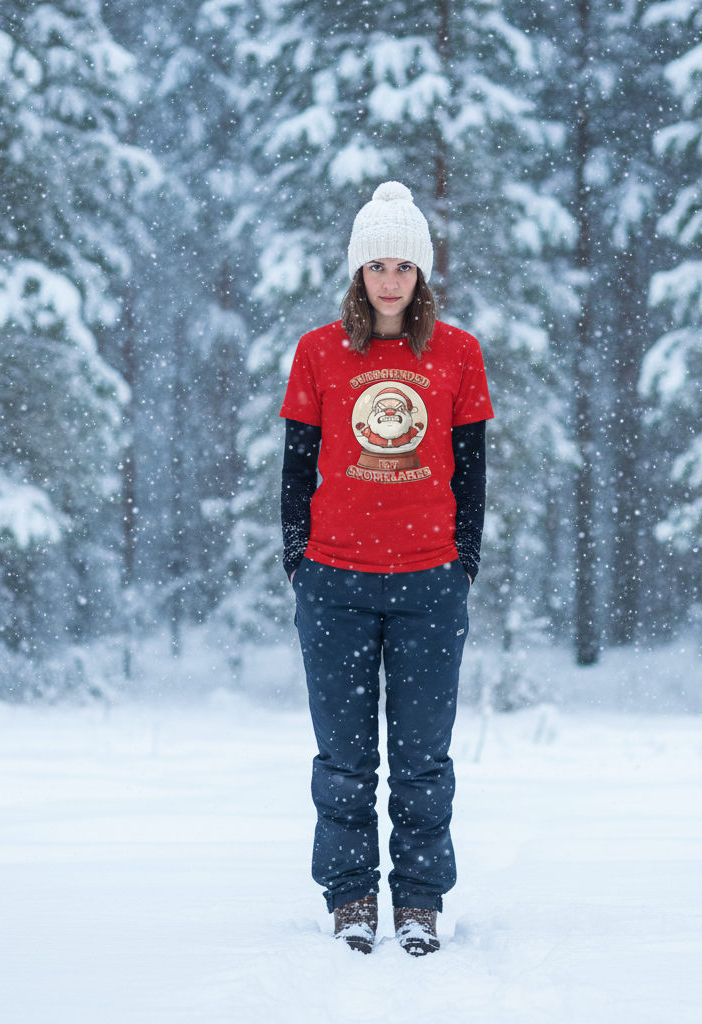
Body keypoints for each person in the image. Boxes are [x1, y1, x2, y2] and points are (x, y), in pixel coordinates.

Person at [279, 181, 493, 956]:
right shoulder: (319, 352)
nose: (392, 279)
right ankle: (351, 898)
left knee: (422, 758)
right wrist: (297, 559)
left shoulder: (458, 353)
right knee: (343, 759)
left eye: (405, 265)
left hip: (430, 587)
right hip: (333, 583)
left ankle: (420, 902)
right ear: (358, 274)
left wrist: (462, 561)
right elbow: (297, 466)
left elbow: (471, 470)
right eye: (379, 266)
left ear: (423, 274)